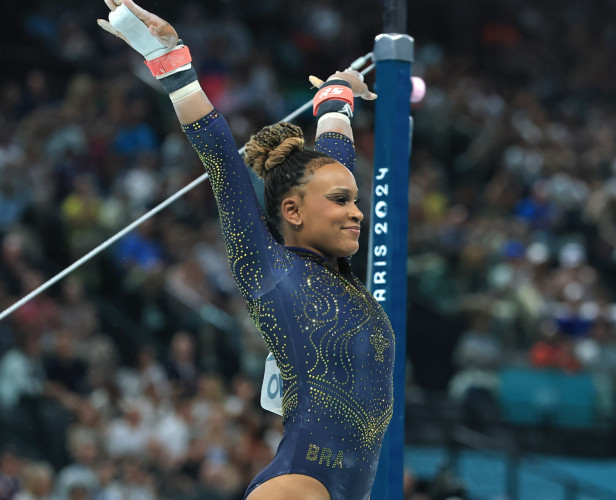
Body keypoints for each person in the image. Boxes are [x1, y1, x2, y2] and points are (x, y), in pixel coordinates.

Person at [96, 1, 393, 500]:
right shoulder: (265, 267)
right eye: (341, 202)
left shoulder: (341, 273)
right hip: (302, 484)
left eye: (355, 201)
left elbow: (336, 154)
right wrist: (167, 56)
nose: (356, 212)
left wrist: (340, 95)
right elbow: (221, 161)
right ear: (293, 212)